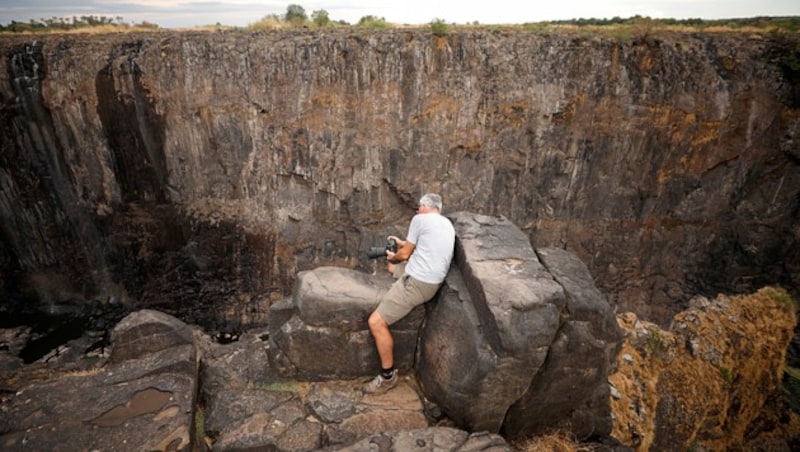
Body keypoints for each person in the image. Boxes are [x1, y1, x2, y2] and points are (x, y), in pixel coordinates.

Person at [363, 193, 455, 394]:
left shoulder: (419, 219)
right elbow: (420, 246)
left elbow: (404, 255)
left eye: (418, 208)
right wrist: (400, 244)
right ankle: (392, 263)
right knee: (392, 268)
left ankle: (387, 376)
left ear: (423, 206)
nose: (417, 211)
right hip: (432, 280)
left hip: (417, 283)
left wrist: (395, 255)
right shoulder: (446, 223)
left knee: (376, 322)